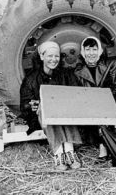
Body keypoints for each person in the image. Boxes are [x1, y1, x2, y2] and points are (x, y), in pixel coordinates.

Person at [20, 41, 82, 171]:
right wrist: (31, 106)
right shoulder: (31, 79)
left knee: (63, 107)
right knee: (45, 108)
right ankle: (59, 153)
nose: (53, 60)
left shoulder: (66, 75)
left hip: (64, 114)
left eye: (57, 56)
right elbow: (24, 104)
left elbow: (76, 94)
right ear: (42, 57)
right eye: (50, 56)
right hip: (42, 118)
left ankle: (69, 151)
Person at [74, 36, 116, 159]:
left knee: (103, 112)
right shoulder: (78, 71)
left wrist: (102, 100)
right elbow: (79, 94)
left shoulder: (110, 65)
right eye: (87, 49)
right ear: (82, 52)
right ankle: (107, 145)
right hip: (91, 106)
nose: (91, 53)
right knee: (95, 112)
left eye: (94, 49)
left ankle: (105, 146)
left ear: (100, 51)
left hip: (113, 102)